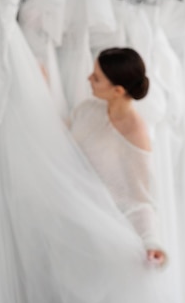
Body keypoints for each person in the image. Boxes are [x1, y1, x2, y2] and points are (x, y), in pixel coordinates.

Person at [71, 47, 167, 266]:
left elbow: (141, 198)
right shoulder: (87, 109)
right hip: (74, 221)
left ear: (117, 91)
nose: (88, 78)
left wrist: (151, 242)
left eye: (96, 78)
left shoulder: (135, 134)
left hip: (105, 238)